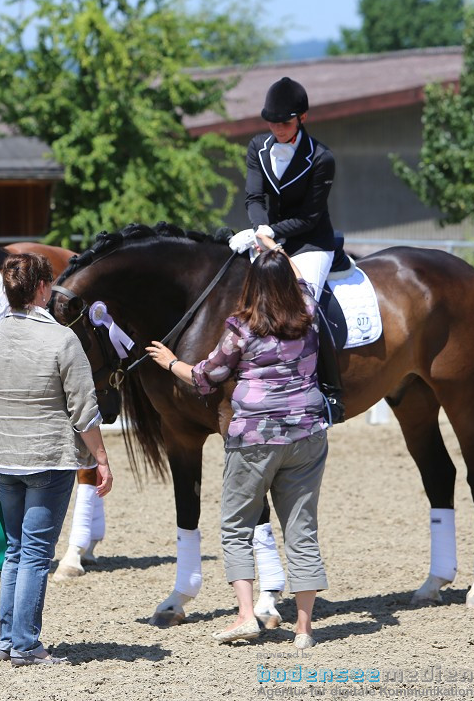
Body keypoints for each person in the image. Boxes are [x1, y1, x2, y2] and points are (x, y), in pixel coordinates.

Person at [146, 233, 329, 650]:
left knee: (235, 528)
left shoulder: (240, 329)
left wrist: (170, 362)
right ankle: (304, 630)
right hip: (307, 434)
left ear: (251, 285)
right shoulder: (310, 313)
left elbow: (205, 377)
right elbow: (300, 279)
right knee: (301, 530)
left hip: (254, 439)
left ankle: (246, 615)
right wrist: (273, 247)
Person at [0, 252, 113, 667]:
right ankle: (26, 645)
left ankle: (7, 639)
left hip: (1, 456)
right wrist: (102, 458)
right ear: (41, 289)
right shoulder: (63, 340)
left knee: (15, 550)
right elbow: (84, 410)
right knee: (35, 553)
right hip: (47, 458)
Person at [229, 76, 336, 301]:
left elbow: (309, 217)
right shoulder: (258, 147)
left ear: (302, 117)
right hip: (268, 236)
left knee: (301, 303)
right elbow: (254, 198)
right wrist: (260, 230)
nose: (278, 129)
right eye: (272, 122)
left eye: (285, 123)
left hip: (310, 243)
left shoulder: (321, 157)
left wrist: (270, 233)